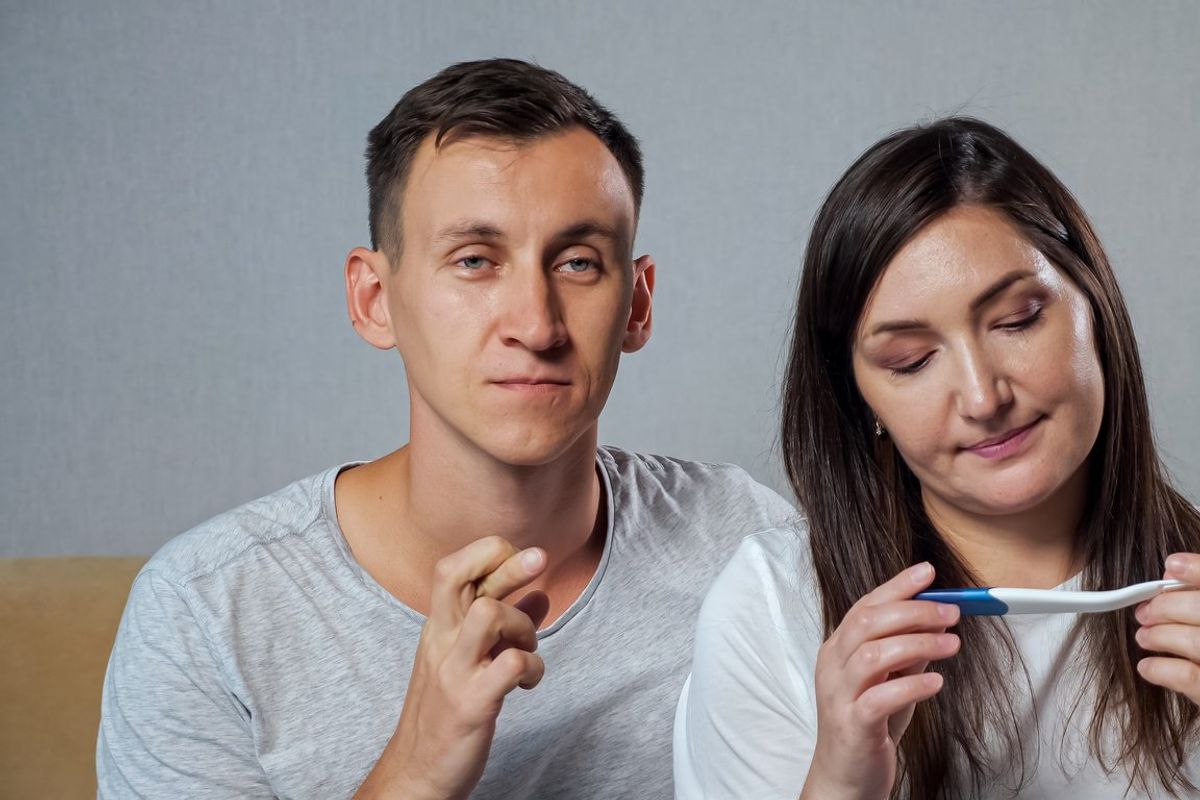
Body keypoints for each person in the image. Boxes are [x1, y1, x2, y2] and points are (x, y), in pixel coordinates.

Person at [97, 58, 794, 799]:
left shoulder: (747, 546)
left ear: (639, 304)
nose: (534, 323)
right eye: (474, 261)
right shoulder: (206, 613)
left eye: (579, 263)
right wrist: (419, 767)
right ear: (374, 300)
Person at [673, 117, 1200, 799]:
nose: (983, 397)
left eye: (1017, 320)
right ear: (860, 400)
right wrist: (839, 781)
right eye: (912, 361)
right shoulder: (775, 609)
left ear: (1094, 304)